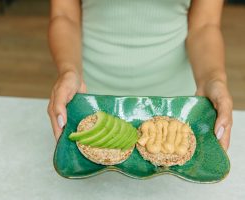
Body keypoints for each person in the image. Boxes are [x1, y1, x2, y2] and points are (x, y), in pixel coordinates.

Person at [47, 0, 233, 151]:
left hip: (175, 106)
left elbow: (205, 24)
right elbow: (64, 15)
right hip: (91, 99)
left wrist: (213, 79)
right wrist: (69, 71)